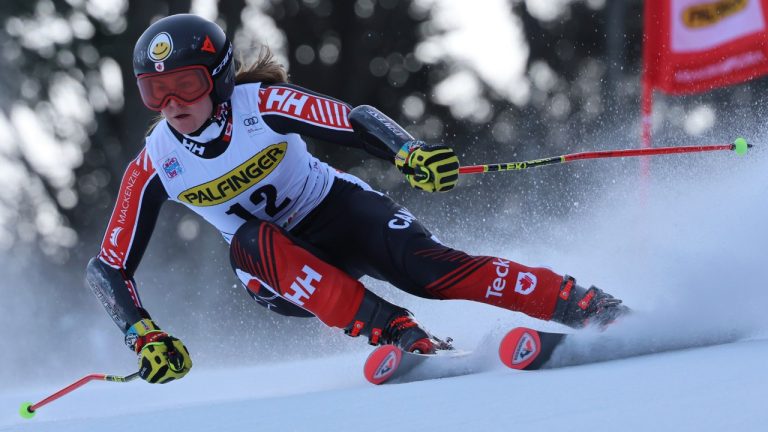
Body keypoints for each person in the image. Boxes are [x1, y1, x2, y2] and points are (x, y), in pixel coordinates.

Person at [86, 14, 629, 384]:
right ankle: (399, 333)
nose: (172, 103)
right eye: (155, 91)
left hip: (338, 212)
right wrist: (142, 334)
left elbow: (350, 119)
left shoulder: (262, 103)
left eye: (185, 84)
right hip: (275, 271)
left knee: (433, 271)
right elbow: (108, 267)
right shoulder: (156, 161)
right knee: (250, 239)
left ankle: (582, 304)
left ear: (221, 80)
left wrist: (408, 153)